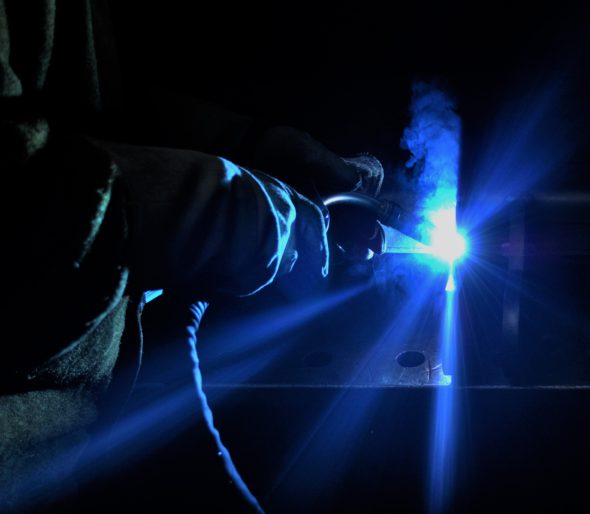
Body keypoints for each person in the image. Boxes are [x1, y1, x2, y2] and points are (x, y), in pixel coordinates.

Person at [0, 1, 384, 509]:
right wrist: (237, 213)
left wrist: (245, 143)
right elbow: (17, 214)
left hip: (82, 437)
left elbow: (75, 93)